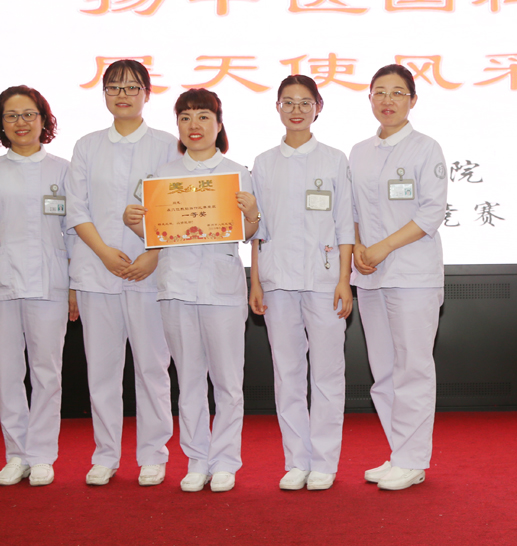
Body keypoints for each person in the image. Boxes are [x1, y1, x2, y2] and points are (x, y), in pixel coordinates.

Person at [123, 88, 259, 493]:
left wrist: (252, 213)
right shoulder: (160, 177)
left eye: (202, 117)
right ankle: (197, 459)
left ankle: (226, 461)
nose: (193, 126)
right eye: (185, 118)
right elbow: (154, 234)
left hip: (222, 289)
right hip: (176, 288)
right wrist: (134, 222)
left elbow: (251, 232)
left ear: (219, 124)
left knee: (228, 381)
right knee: (189, 379)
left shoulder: (238, 173)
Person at [66, 60, 178, 487]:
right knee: (102, 370)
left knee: (152, 367)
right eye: (113, 87)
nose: (122, 95)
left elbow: (178, 207)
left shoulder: (167, 145)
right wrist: (103, 253)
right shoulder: (87, 146)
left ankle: (153, 454)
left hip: (150, 273)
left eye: (132, 87)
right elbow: (76, 208)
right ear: (104, 95)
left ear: (147, 93)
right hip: (97, 272)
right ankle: (105, 455)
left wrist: (153, 254)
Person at [0, 85, 78, 487]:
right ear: (1, 123)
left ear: (43, 120)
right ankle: (16, 454)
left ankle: (42, 454)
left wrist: (74, 287)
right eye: (11, 116)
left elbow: (75, 232)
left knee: (47, 371)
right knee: (7, 371)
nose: (21, 122)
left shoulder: (63, 170)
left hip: (50, 283)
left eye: (29, 114)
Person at [249, 75, 354, 491]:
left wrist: (345, 279)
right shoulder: (263, 162)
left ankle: (324, 461)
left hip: (325, 280)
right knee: (287, 372)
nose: (296, 110)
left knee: (327, 373)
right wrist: (255, 281)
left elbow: (345, 223)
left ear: (318, 108)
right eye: (288, 102)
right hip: (277, 280)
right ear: (277, 107)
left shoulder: (334, 159)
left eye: (305, 103)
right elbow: (257, 230)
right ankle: (296, 460)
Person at [349, 64, 447, 491]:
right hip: (370, 275)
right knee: (384, 371)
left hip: (412, 275)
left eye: (397, 92)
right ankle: (399, 453)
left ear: (412, 100)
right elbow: (351, 210)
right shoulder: (359, 151)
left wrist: (383, 247)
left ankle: (413, 459)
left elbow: (431, 212)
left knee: (413, 368)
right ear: (370, 98)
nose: (387, 100)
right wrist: (358, 248)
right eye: (380, 92)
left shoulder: (426, 148)